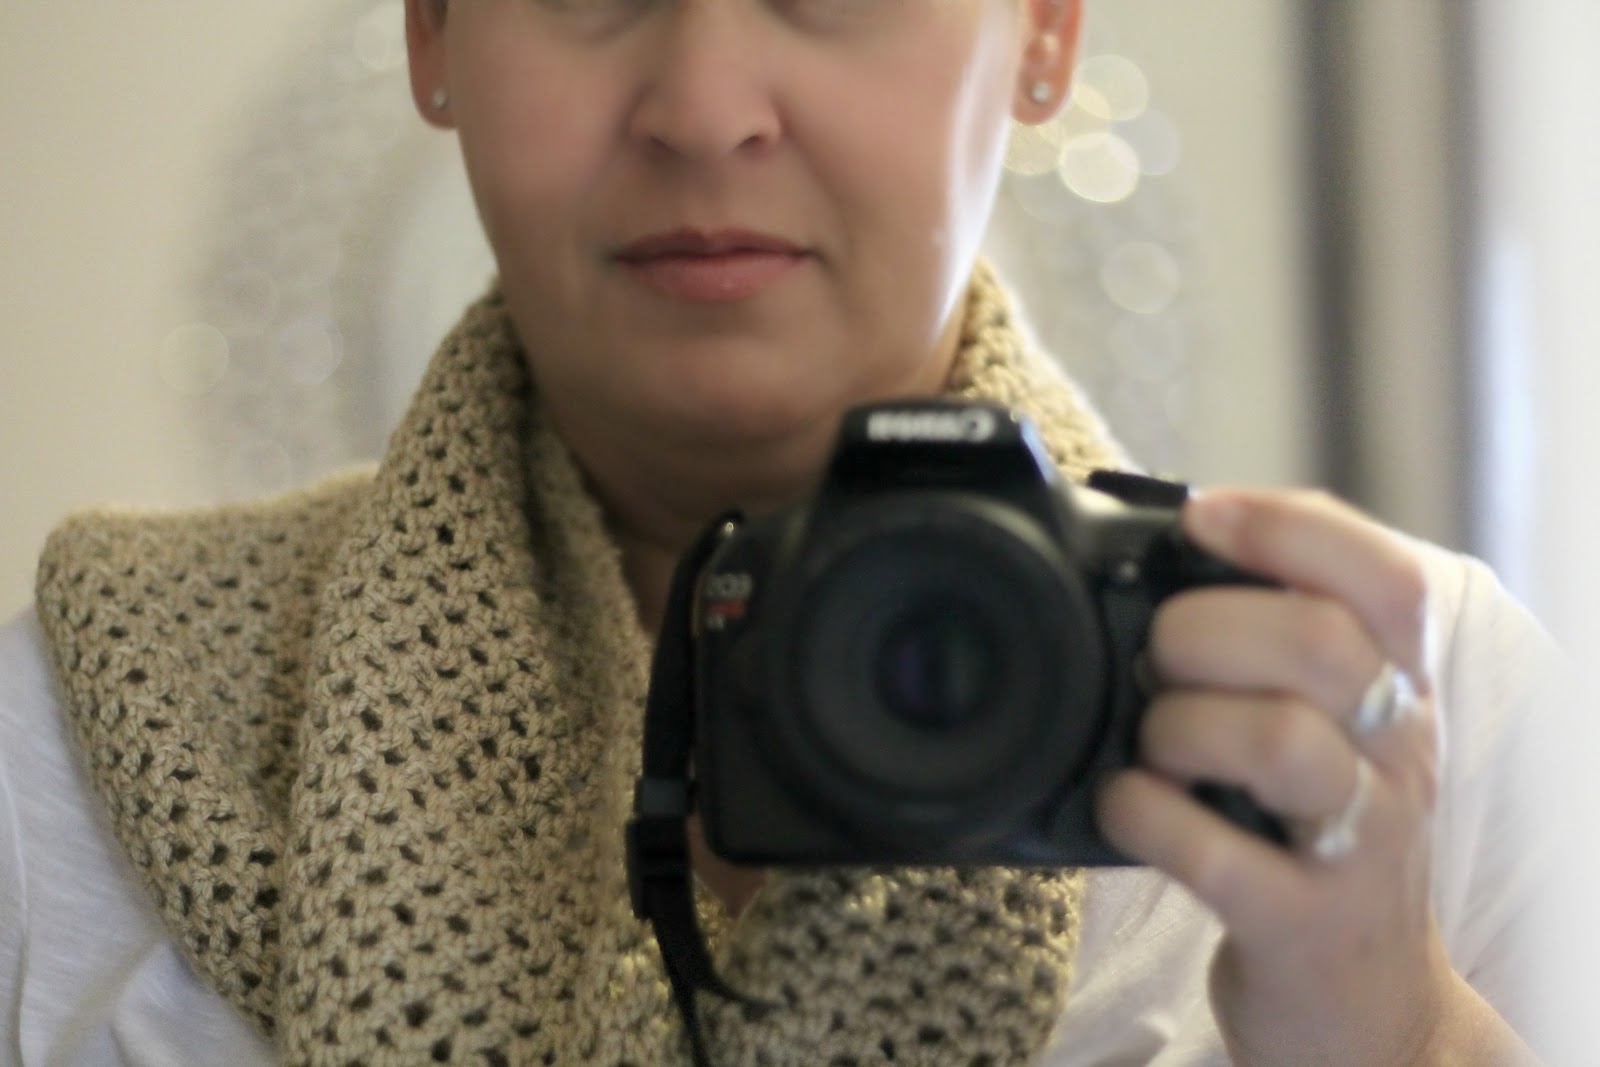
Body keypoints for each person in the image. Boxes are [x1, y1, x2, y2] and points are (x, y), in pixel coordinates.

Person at [1, 0, 1594, 1063]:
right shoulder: (75, 740)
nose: (704, 110)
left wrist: (1397, 1031)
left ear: (1043, 31)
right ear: (435, 32)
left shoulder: (1392, 712)